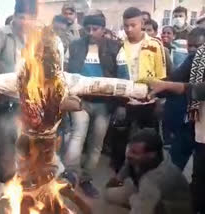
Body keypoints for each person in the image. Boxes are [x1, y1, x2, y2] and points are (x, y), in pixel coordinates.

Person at [63, 13, 129, 198]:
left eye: (95, 29)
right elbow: (65, 73)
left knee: (96, 144)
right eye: (88, 29)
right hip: (79, 101)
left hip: (104, 104)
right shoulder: (74, 46)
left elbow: (124, 78)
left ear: (103, 29)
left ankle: (86, 179)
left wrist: (122, 105)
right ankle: (70, 175)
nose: (91, 33)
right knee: (78, 135)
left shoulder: (116, 48)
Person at [0, 0, 36, 202]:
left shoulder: (41, 36)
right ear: (14, 15)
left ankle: (29, 182)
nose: (25, 21)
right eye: (21, 16)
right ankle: (5, 182)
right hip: (9, 101)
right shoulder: (3, 33)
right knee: (6, 144)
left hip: (34, 101)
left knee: (32, 145)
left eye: (29, 17)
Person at [109, 7, 167, 173]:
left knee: (150, 141)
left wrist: (158, 100)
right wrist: (119, 102)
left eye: (132, 25)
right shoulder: (120, 46)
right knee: (120, 140)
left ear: (142, 23)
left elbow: (161, 75)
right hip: (126, 100)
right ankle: (120, 174)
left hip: (148, 100)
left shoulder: (155, 45)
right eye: (126, 25)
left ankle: (153, 174)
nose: (128, 29)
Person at [105, 129, 192, 214]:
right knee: (109, 194)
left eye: (134, 152)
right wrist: (118, 179)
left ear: (151, 155)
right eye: (129, 150)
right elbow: (126, 168)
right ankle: (138, 200)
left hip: (167, 207)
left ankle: (139, 201)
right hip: (143, 191)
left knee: (141, 204)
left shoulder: (156, 178)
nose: (129, 155)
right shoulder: (140, 157)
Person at [163, 28, 205, 170]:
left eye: (198, 46)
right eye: (190, 46)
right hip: (190, 120)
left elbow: (173, 81)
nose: (193, 50)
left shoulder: (195, 59)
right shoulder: (193, 59)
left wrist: (154, 87)